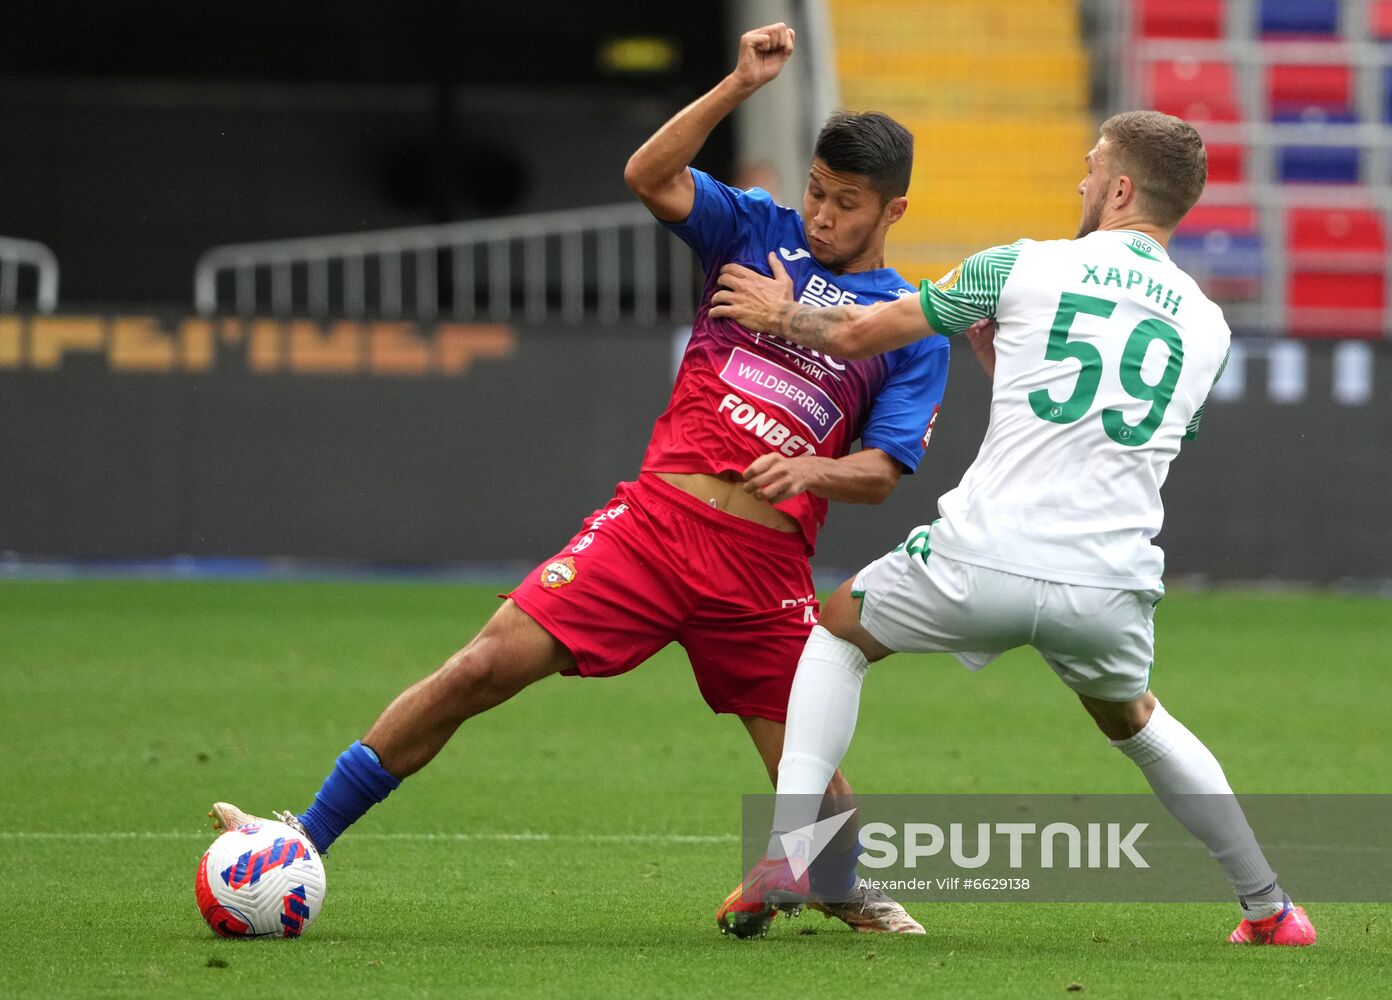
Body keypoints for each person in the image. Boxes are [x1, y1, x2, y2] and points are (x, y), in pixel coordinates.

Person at [210, 22, 950, 936]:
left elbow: (879, 474)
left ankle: (835, 884)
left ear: (895, 211)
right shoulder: (759, 230)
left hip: (762, 573)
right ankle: (305, 835)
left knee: (804, 754)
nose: (823, 216)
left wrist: (811, 464)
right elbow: (649, 176)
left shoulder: (909, 325)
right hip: (654, 530)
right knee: (481, 666)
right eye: (816, 191)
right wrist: (736, 85)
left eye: (847, 203)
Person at [709, 110, 1316, 946]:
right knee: (1136, 719)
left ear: (1122, 188)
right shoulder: (1208, 329)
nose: (1081, 179)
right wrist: (1006, 362)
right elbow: (1119, 425)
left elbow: (854, 333)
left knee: (838, 632)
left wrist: (781, 314)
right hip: (1105, 582)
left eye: (1093, 165)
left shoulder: (1021, 265)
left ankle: (788, 854)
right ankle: (1271, 908)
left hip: (981, 557)